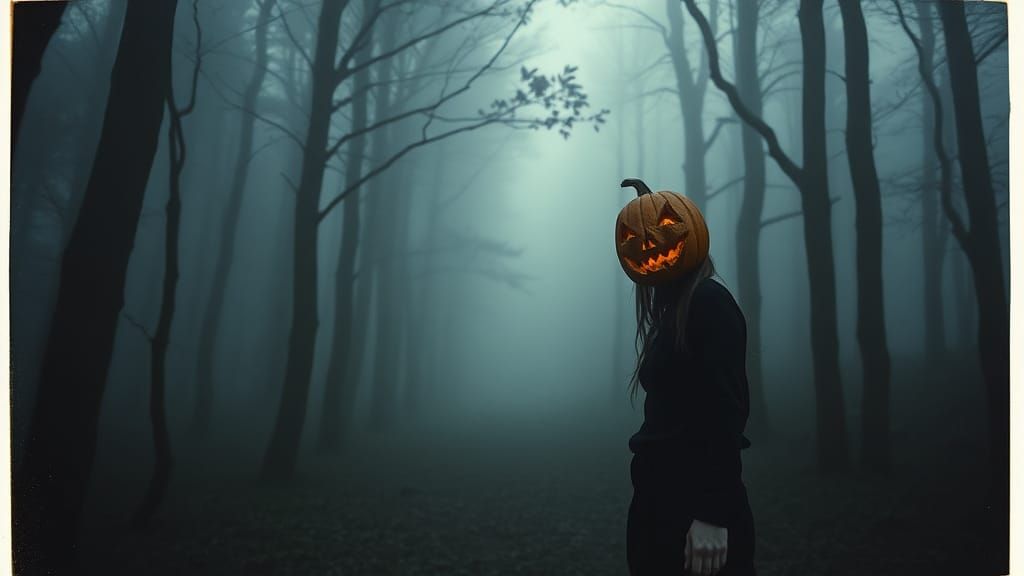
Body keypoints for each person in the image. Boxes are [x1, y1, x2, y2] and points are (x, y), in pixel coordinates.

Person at [624, 254, 756, 576]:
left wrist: (712, 513)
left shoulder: (709, 301)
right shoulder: (672, 312)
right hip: (659, 513)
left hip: (694, 522)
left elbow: (725, 412)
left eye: (664, 230)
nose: (650, 245)